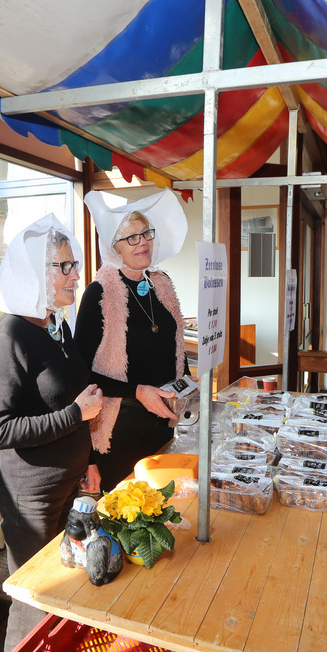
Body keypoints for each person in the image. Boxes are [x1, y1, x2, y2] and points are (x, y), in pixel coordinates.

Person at [0, 213, 103, 652]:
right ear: (33, 272)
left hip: (70, 484)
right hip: (31, 499)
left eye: (74, 265)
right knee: (34, 598)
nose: (75, 276)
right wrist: (75, 416)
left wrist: (89, 458)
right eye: (63, 267)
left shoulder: (56, 324)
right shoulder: (8, 334)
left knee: (67, 586)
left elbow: (70, 396)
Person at [75, 190, 190, 492]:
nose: (143, 242)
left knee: (163, 505)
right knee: (125, 512)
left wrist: (188, 382)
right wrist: (137, 391)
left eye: (146, 234)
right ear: (114, 247)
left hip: (162, 424)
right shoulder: (99, 294)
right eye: (132, 238)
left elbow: (175, 347)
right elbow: (80, 375)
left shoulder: (161, 283)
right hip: (119, 429)